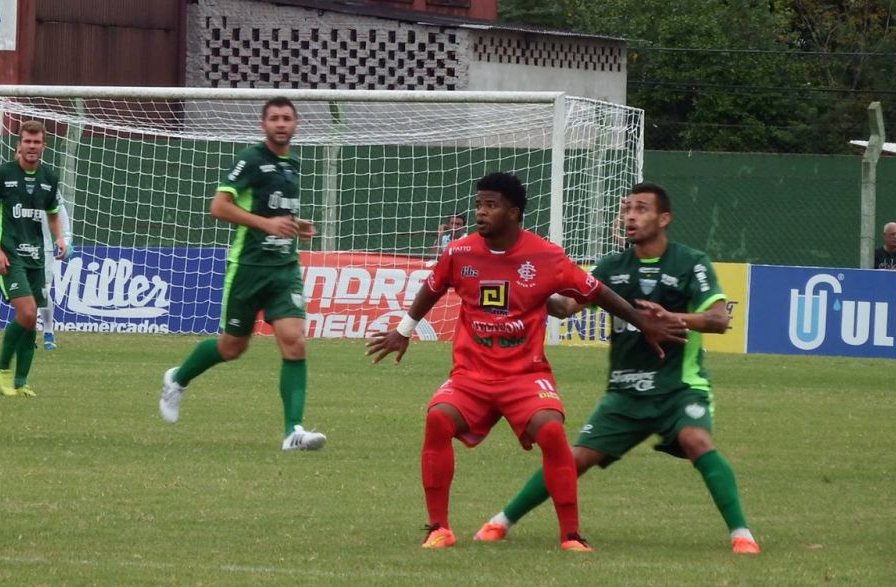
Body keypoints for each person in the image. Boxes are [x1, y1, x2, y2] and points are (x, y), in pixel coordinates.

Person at [365, 172, 686, 552]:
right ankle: (439, 528)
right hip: (472, 375)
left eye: (491, 205)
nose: (481, 213)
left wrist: (641, 322)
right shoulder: (459, 252)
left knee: (551, 431)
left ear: (513, 212)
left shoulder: (546, 257)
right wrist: (404, 329)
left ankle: (571, 535)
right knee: (437, 418)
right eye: (479, 204)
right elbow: (432, 288)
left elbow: (596, 291)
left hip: (524, 375)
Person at [473, 182, 760, 554]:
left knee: (696, 440)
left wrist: (669, 318)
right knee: (574, 459)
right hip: (624, 393)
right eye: (626, 209)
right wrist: (525, 281)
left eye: (641, 209)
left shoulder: (691, 263)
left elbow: (719, 319)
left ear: (664, 218)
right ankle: (500, 522)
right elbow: (564, 308)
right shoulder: (612, 266)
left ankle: (742, 534)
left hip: (679, 388)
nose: (630, 216)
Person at [159, 97, 326, 450]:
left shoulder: (293, 165)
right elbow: (218, 206)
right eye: (274, 118)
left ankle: (293, 431)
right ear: (262, 125)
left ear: (295, 125)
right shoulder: (249, 161)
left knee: (294, 341)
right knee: (232, 347)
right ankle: (178, 378)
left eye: (287, 118)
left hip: (284, 270)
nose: (281, 124)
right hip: (248, 269)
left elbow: (275, 215)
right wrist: (266, 224)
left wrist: (296, 226)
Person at [0, 120, 66, 397]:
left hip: (36, 258)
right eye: (27, 141)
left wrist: (59, 238)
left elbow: (52, 213)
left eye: (36, 142)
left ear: (44, 145)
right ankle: (2, 367)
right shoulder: (3, 174)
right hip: (10, 256)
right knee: (27, 313)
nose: (31, 146)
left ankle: (20, 382)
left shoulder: (49, 178)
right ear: (19, 144)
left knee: (31, 321)